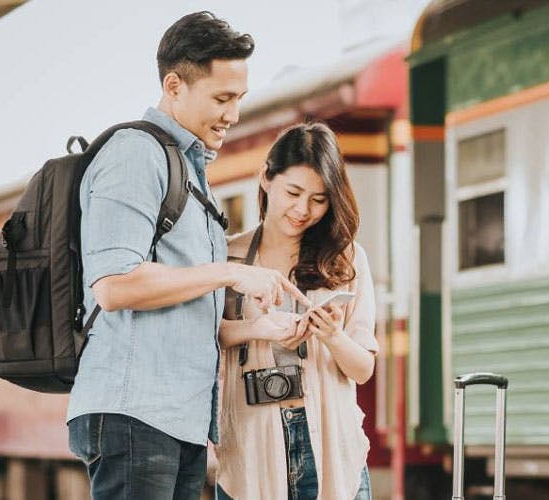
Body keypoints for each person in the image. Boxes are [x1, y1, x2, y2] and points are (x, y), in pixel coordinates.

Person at [65, 11, 307, 499]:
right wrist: (227, 275)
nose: (233, 115)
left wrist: (259, 327)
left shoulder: (191, 173)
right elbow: (115, 285)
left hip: (180, 418)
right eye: (222, 98)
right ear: (174, 85)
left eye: (239, 99)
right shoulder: (136, 155)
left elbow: (182, 308)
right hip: (136, 412)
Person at [214, 123, 378, 500]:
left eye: (319, 200)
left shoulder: (346, 259)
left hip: (330, 445)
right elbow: (206, 334)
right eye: (293, 192)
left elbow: (362, 368)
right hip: (252, 449)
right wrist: (257, 329)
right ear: (266, 178)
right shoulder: (229, 258)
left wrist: (333, 336)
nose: (303, 210)